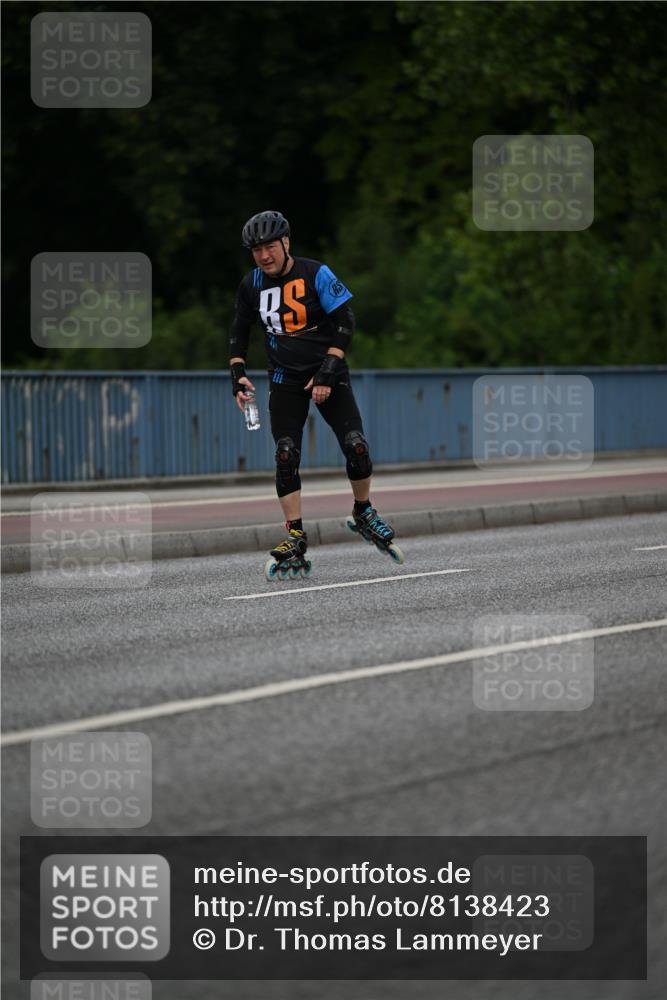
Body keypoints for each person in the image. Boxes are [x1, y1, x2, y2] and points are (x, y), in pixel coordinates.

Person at [229, 209, 399, 571]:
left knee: (357, 445)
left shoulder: (316, 273)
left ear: (286, 242)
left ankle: (364, 512)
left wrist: (326, 372)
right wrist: (238, 374)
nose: (264, 256)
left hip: (328, 373)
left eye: (270, 247)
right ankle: (295, 535)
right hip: (284, 380)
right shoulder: (252, 284)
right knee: (285, 453)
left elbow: (346, 321)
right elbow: (239, 330)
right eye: (256, 250)